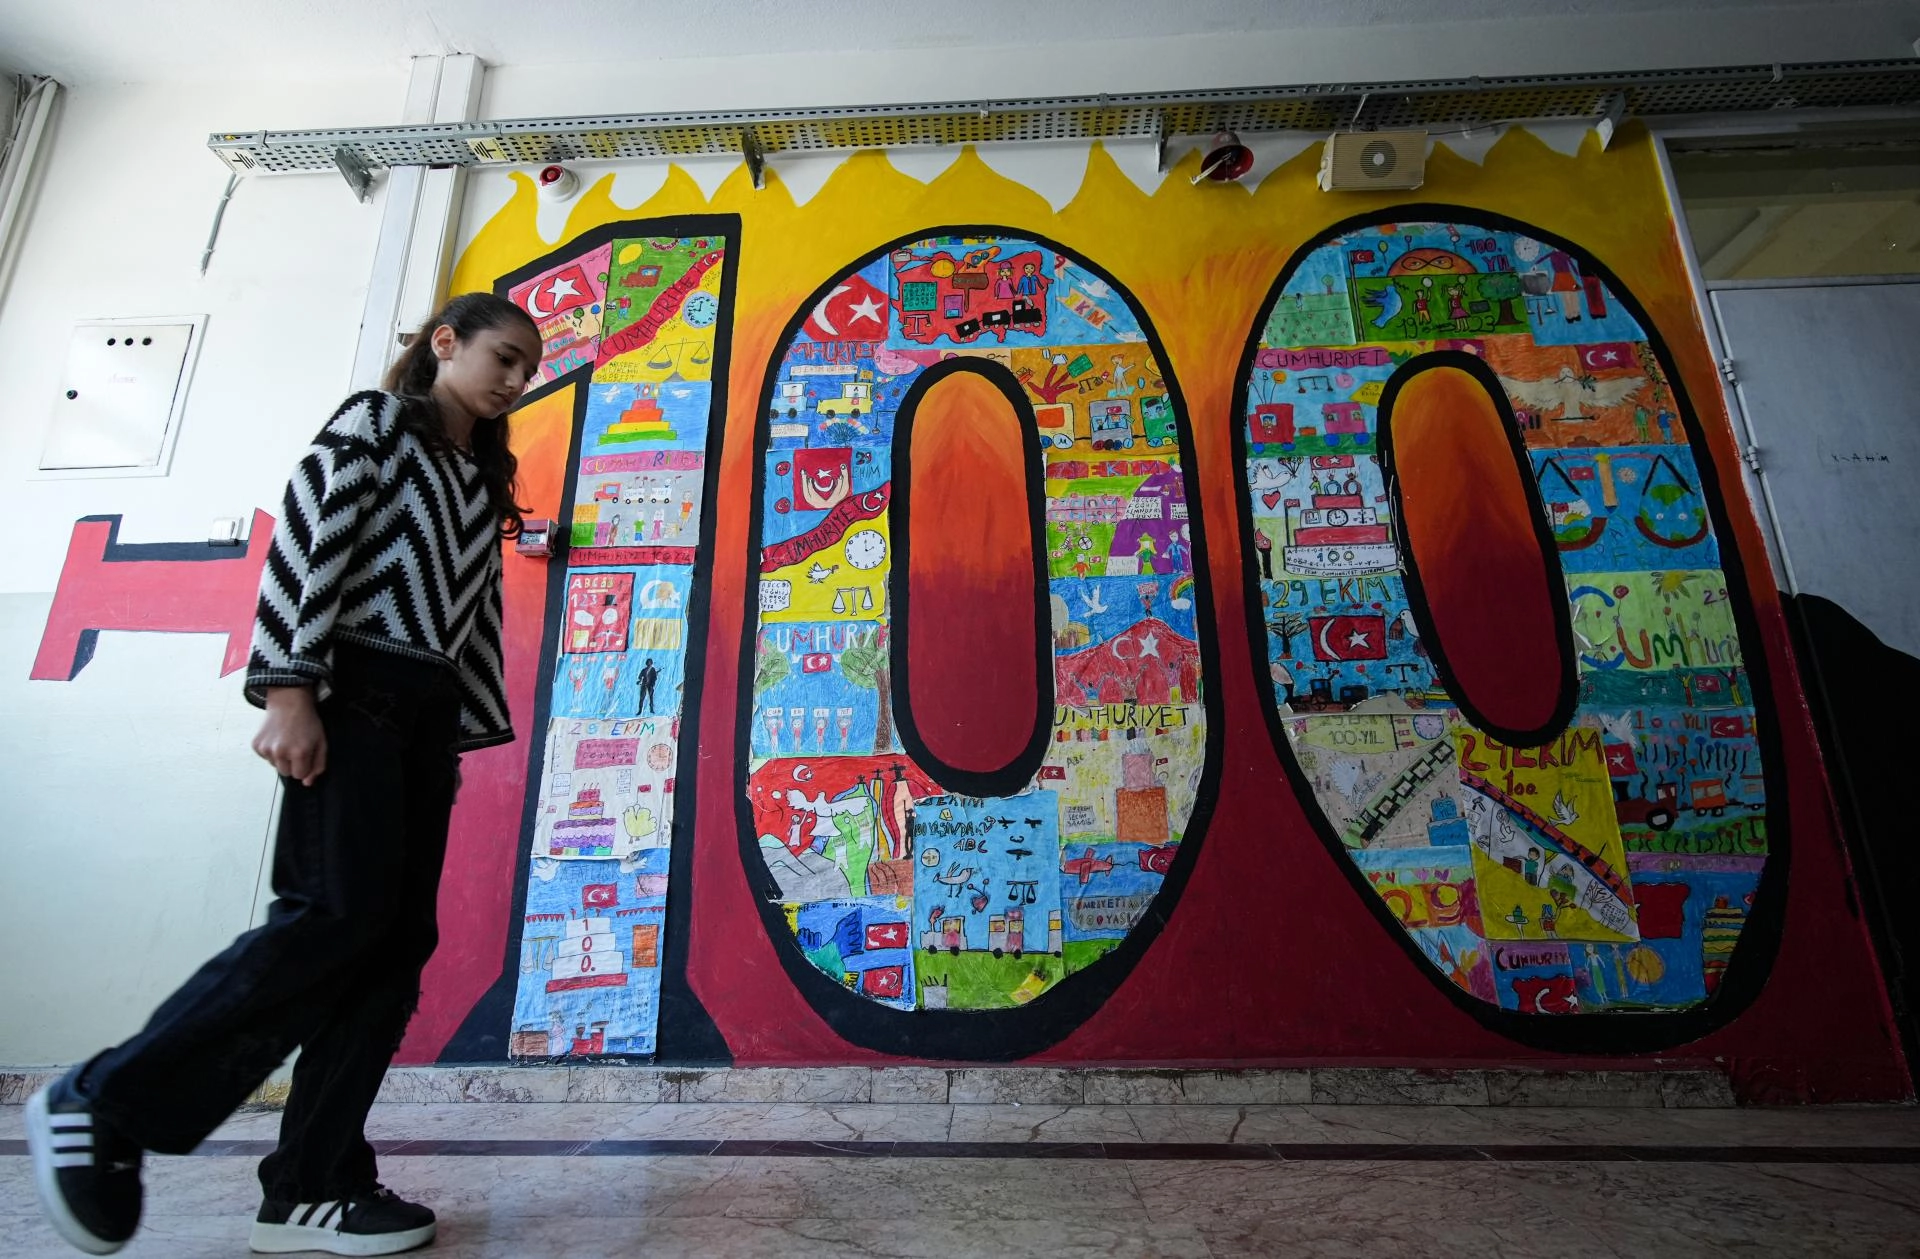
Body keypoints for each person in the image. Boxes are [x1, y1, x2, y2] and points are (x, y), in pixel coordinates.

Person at [26, 293, 543, 1256]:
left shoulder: (478, 471)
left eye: (527, 369)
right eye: (503, 357)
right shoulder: (378, 422)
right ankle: (102, 1102)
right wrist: (290, 689)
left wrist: (454, 736)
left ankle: (312, 1185)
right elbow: (306, 538)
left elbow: (465, 615)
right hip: (353, 697)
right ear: (445, 343)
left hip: (422, 725)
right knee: (330, 917)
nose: (516, 380)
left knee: (392, 951)